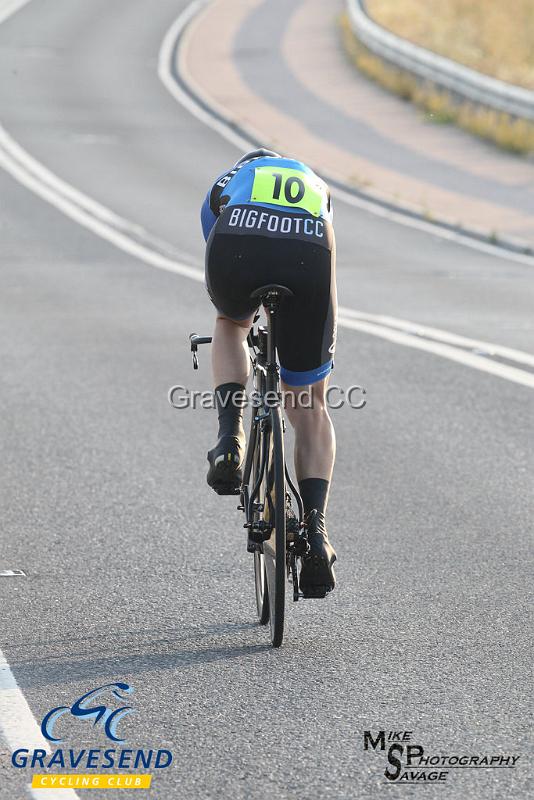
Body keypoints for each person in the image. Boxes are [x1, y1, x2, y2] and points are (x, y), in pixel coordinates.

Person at [200, 148, 338, 595]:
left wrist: (248, 312)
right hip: (310, 250)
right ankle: (315, 529)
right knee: (310, 404)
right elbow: (327, 251)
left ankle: (230, 438)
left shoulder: (229, 180)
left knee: (231, 324)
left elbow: (215, 239)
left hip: (239, 242)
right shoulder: (315, 182)